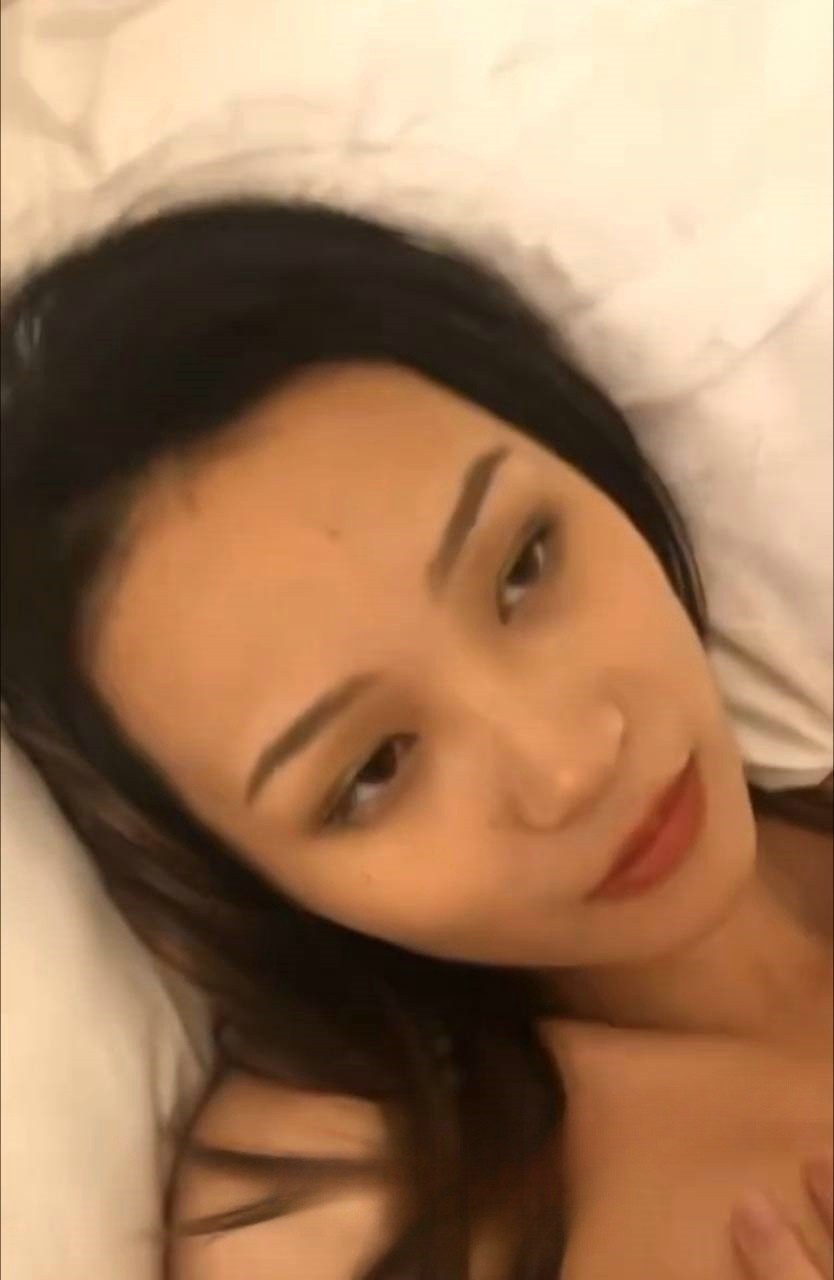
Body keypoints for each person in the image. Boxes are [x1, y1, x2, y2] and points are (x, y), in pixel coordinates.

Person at [1, 199, 830, 1280]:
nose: (570, 762)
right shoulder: (355, 1211)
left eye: (525, 566)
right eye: (373, 771)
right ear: (237, 876)